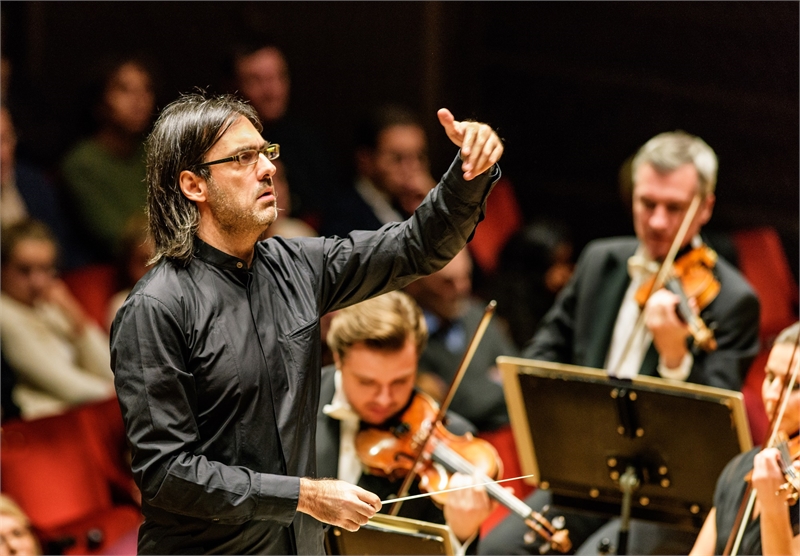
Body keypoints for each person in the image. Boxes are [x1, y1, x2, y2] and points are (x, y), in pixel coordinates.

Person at [109, 91, 503, 554]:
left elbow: (414, 247)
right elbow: (166, 475)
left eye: (265, 152)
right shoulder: (155, 308)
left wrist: (470, 173)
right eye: (243, 157)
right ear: (195, 185)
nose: (267, 168)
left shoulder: (296, 266)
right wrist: (302, 495)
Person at [479, 131, 760, 555]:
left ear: (705, 207)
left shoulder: (733, 300)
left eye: (674, 207)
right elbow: (542, 354)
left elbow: (709, 433)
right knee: (498, 550)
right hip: (586, 477)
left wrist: (675, 358)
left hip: (665, 500)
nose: (658, 221)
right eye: (647, 203)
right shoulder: (601, 261)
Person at [318, 291, 494, 553]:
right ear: (338, 358)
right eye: (367, 382)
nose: (384, 399)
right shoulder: (293, 405)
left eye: (400, 381)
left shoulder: (452, 436)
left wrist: (460, 534)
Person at [690, 321, 800, 556]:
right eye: (770, 377)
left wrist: (773, 507)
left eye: (794, 385)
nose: (772, 395)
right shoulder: (740, 469)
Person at [0, 219, 115, 420]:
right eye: (24, 270)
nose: (37, 282)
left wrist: (77, 318)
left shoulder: (49, 306)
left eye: (45, 269)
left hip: (86, 414)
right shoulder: (4, 313)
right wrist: (123, 394)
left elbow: (109, 370)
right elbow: (62, 383)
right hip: (43, 423)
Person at [404, 248, 517, 433]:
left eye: (466, 277)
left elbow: (516, 379)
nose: (462, 288)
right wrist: (493, 380)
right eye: (447, 282)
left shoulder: (478, 313)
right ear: (415, 284)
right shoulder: (406, 334)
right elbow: (459, 407)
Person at [230, 40, 336, 230]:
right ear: (232, 87)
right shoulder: (220, 145)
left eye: (279, 77)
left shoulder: (307, 141)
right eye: (256, 81)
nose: (272, 91)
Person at [61, 56, 155, 263]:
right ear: (101, 100)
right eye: (125, 90)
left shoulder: (156, 153)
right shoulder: (82, 162)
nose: (139, 100)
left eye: (146, 89)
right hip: (114, 268)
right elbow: (115, 236)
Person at [319, 103, 437, 238]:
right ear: (365, 161)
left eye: (420, 157)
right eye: (397, 158)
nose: (413, 168)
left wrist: (432, 207)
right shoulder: (343, 216)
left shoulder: (414, 204)